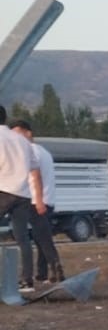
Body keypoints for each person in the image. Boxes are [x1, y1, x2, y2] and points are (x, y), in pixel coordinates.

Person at [8, 119, 63, 285]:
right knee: (41, 239)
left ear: (28, 133)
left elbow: (35, 176)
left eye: (17, 134)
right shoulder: (44, 151)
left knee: (42, 239)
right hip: (47, 200)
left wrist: (38, 199)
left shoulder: (30, 151)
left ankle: (55, 271)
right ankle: (44, 273)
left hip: (36, 200)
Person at [0, 106, 46, 293]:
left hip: (3, 189)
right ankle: (27, 281)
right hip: (23, 194)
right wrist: (39, 197)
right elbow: (35, 170)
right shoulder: (22, 141)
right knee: (23, 239)